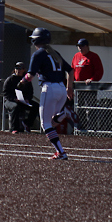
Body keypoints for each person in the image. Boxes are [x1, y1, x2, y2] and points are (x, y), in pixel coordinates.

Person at [27, 27, 76, 160]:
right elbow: (71, 71)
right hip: (61, 88)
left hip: (49, 88)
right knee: (52, 123)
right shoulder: (54, 53)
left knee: (45, 125)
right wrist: (69, 88)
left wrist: (22, 81)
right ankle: (62, 114)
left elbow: (30, 75)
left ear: (36, 40)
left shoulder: (38, 54)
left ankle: (61, 152)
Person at [1, 61, 38, 133]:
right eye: (16, 68)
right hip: (10, 101)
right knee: (15, 107)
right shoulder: (10, 79)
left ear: (24, 70)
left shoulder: (26, 81)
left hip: (22, 101)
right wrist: (14, 99)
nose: (18, 70)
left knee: (36, 106)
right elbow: (5, 93)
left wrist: (27, 99)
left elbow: (30, 92)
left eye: (20, 68)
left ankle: (27, 124)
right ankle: (14, 128)